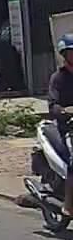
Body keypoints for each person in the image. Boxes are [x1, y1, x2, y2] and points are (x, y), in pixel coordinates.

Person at [47, 34, 73, 215]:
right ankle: (69, 205)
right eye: (71, 52)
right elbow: (53, 105)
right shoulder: (58, 78)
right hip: (69, 127)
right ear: (65, 55)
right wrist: (65, 111)